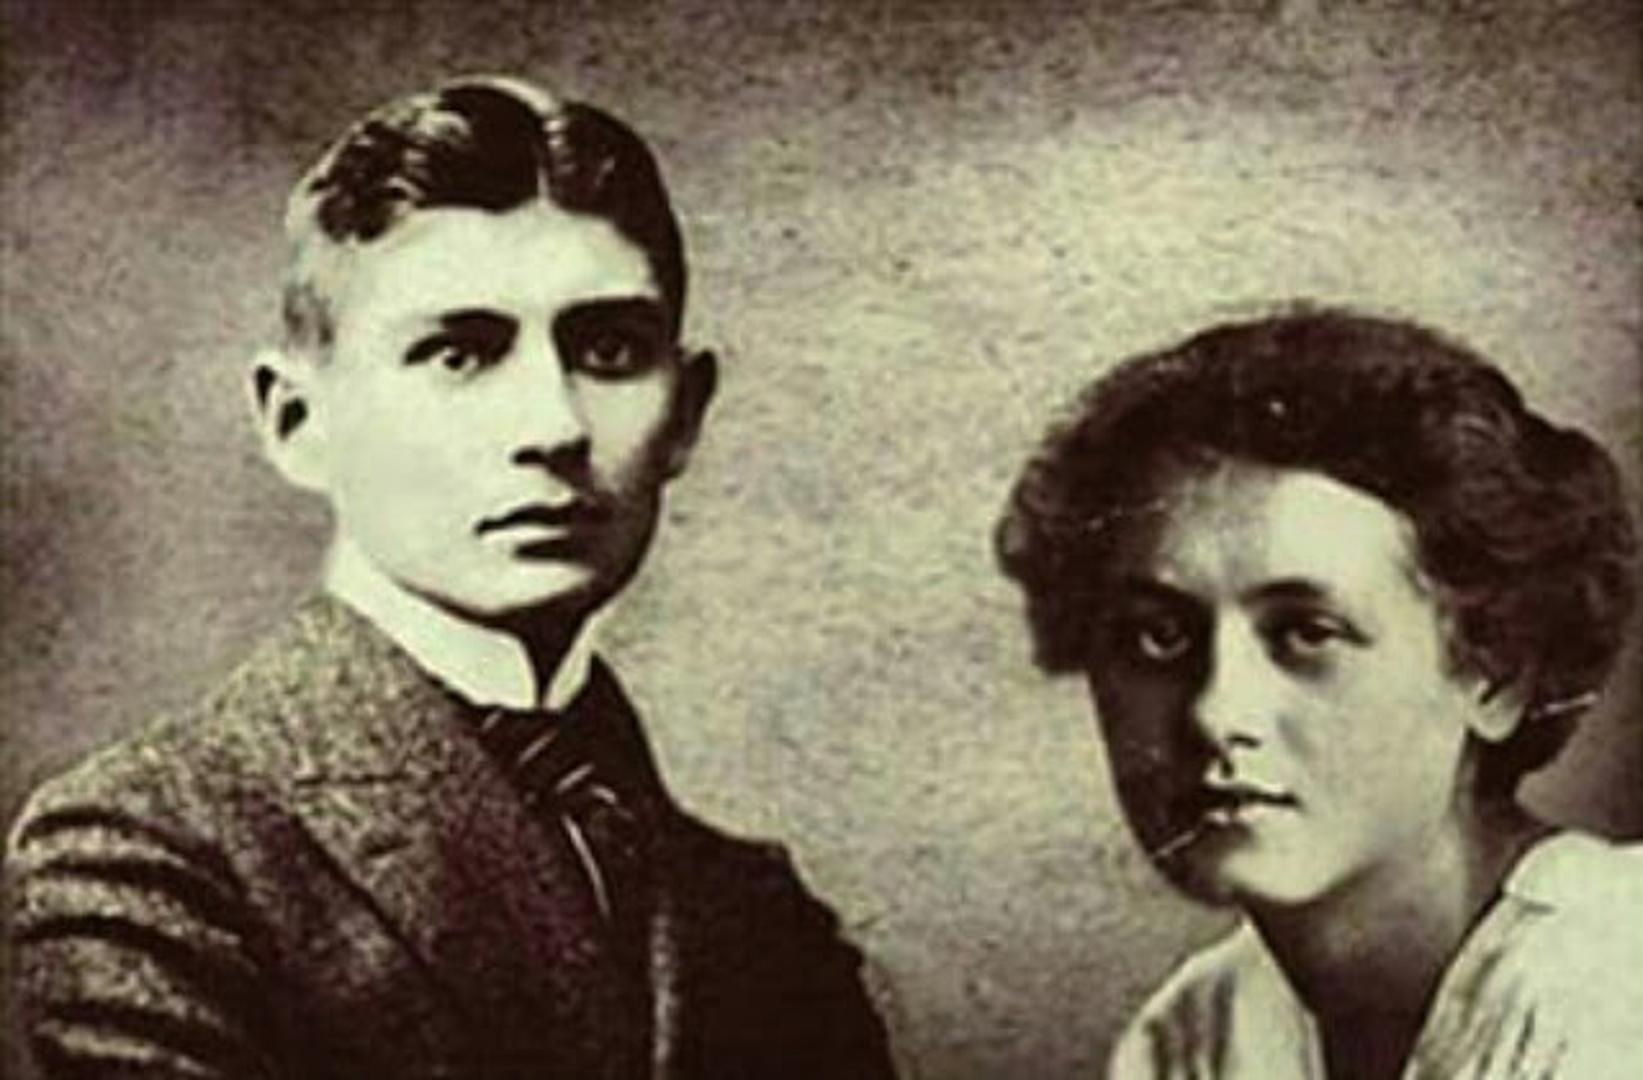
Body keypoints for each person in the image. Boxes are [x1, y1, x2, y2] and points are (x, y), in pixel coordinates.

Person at [5, 76, 895, 1080]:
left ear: (684, 415)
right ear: (299, 422)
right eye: (459, 355)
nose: (552, 426)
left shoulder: (757, 914)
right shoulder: (154, 846)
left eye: (608, 350)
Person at [994, 309, 1643, 1079]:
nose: (1214, 713)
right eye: (1156, 636)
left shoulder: (1612, 978)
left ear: (1494, 675)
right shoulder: (1196, 1035)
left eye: (1306, 633)